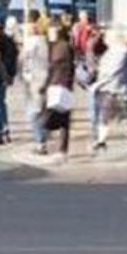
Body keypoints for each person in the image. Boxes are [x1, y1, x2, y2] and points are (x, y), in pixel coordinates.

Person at [91, 25, 127, 152]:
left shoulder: (121, 50)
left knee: (105, 115)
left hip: (112, 87)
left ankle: (101, 142)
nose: (104, 38)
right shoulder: (111, 49)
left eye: (106, 36)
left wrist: (100, 81)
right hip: (103, 86)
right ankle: (100, 140)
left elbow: (113, 70)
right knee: (108, 116)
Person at [19, 10, 50, 153]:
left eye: (29, 25)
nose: (27, 27)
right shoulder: (42, 40)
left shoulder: (35, 41)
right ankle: (42, 138)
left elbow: (27, 59)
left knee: (34, 112)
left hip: (35, 79)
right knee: (38, 111)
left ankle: (41, 142)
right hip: (37, 78)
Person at [45, 16, 76, 158]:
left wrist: (65, 83)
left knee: (62, 116)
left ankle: (61, 149)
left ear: (57, 30)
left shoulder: (63, 46)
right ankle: (58, 148)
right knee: (59, 116)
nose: (48, 33)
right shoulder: (53, 45)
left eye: (50, 30)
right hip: (55, 84)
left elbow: (68, 67)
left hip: (61, 85)